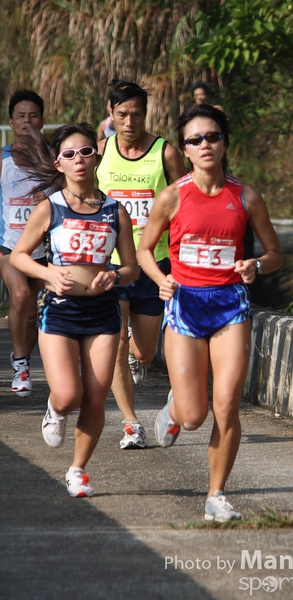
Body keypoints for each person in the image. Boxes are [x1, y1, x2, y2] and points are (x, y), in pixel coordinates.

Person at [136, 104, 283, 521]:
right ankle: (173, 411)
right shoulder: (172, 196)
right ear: (184, 149)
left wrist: (256, 265)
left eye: (213, 137)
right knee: (194, 416)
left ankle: (216, 495)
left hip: (230, 307)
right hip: (185, 306)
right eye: (195, 139)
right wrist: (160, 279)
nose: (205, 145)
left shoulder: (246, 197)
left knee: (227, 404)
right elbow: (145, 250)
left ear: (224, 143)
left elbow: (274, 254)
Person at [9, 122, 138, 497]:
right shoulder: (50, 208)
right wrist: (48, 273)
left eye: (85, 151)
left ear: (96, 157)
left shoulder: (115, 211)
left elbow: (131, 268)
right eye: (69, 154)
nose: (78, 159)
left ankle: (79, 469)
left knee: (96, 398)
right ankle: (55, 408)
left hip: (103, 313)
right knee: (69, 395)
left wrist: (114, 275)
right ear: (59, 163)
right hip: (60, 312)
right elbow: (19, 256)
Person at [96, 79, 186, 450]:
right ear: (110, 113)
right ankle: (131, 424)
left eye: (136, 114)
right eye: (122, 114)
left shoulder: (165, 153)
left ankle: (139, 358)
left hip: (153, 264)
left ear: (145, 114)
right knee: (116, 343)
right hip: (112, 265)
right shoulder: (101, 150)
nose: (129, 122)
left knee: (144, 351)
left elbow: (187, 202)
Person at [0, 89, 46, 398]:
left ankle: (24, 359)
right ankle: (19, 364)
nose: (27, 121)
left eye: (33, 116)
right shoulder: (3, 158)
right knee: (19, 295)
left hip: (44, 249)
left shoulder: (55, 158)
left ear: (42, 120)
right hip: (9, 246)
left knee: (33, 314)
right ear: (11, 122)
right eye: (21, 116)